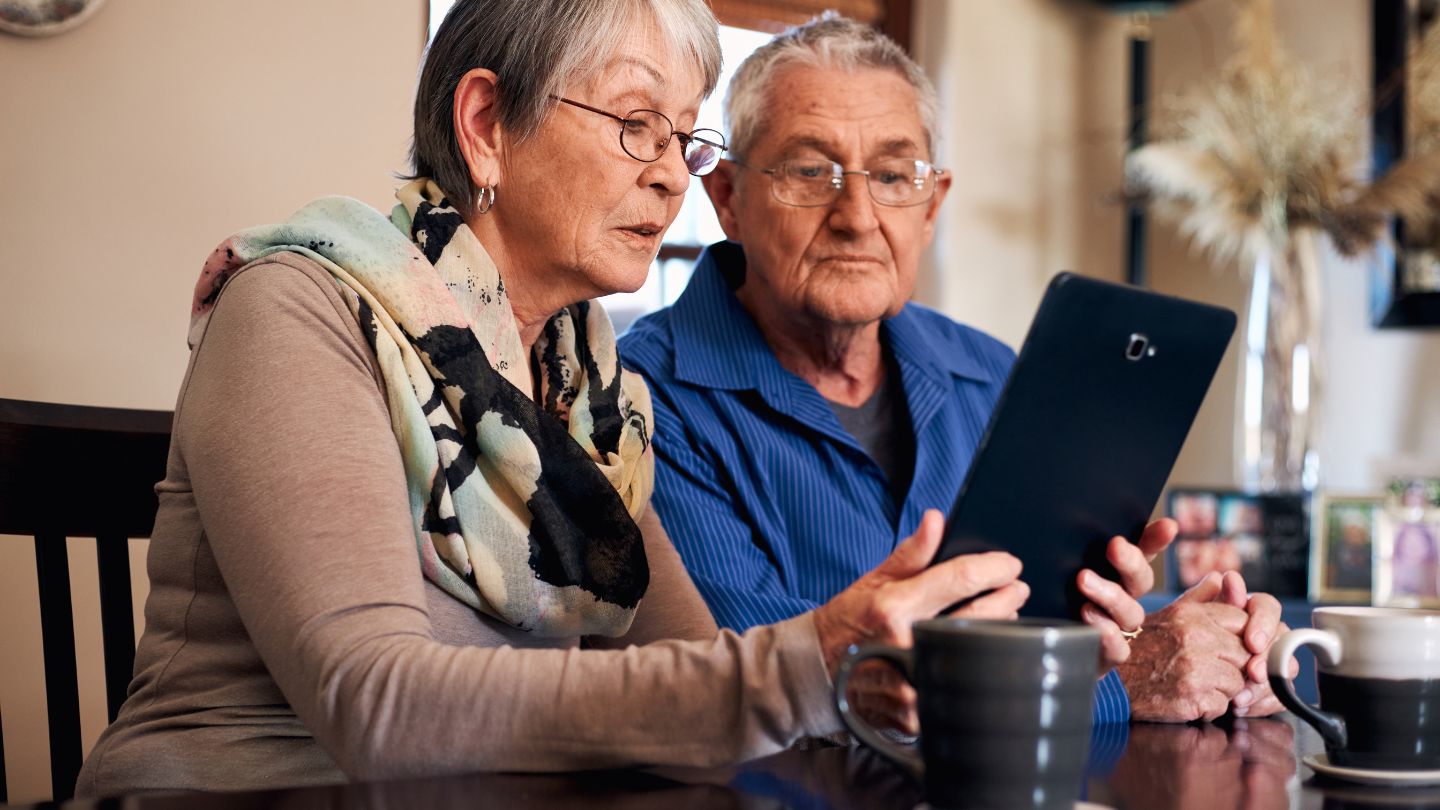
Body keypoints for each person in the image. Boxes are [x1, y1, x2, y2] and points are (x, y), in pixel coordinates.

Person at [75, 1, 1047, 796]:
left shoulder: (591, 391)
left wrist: (859, 672)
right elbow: (370, 705)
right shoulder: (300, 309)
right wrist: (808, 660)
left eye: (681, 135)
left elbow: (706, 692)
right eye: (634, 125)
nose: (671, 175)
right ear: (486, 125)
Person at [619, 14, 1292, 728]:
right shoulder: (638, 398)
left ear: (932, 205)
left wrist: (1200, 645)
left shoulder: (991, 374)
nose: (857, 215)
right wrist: (1120, 683)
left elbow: (1060, 621)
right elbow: (756, 687)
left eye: (893, 175)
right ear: (727, 198)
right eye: (811, 171)